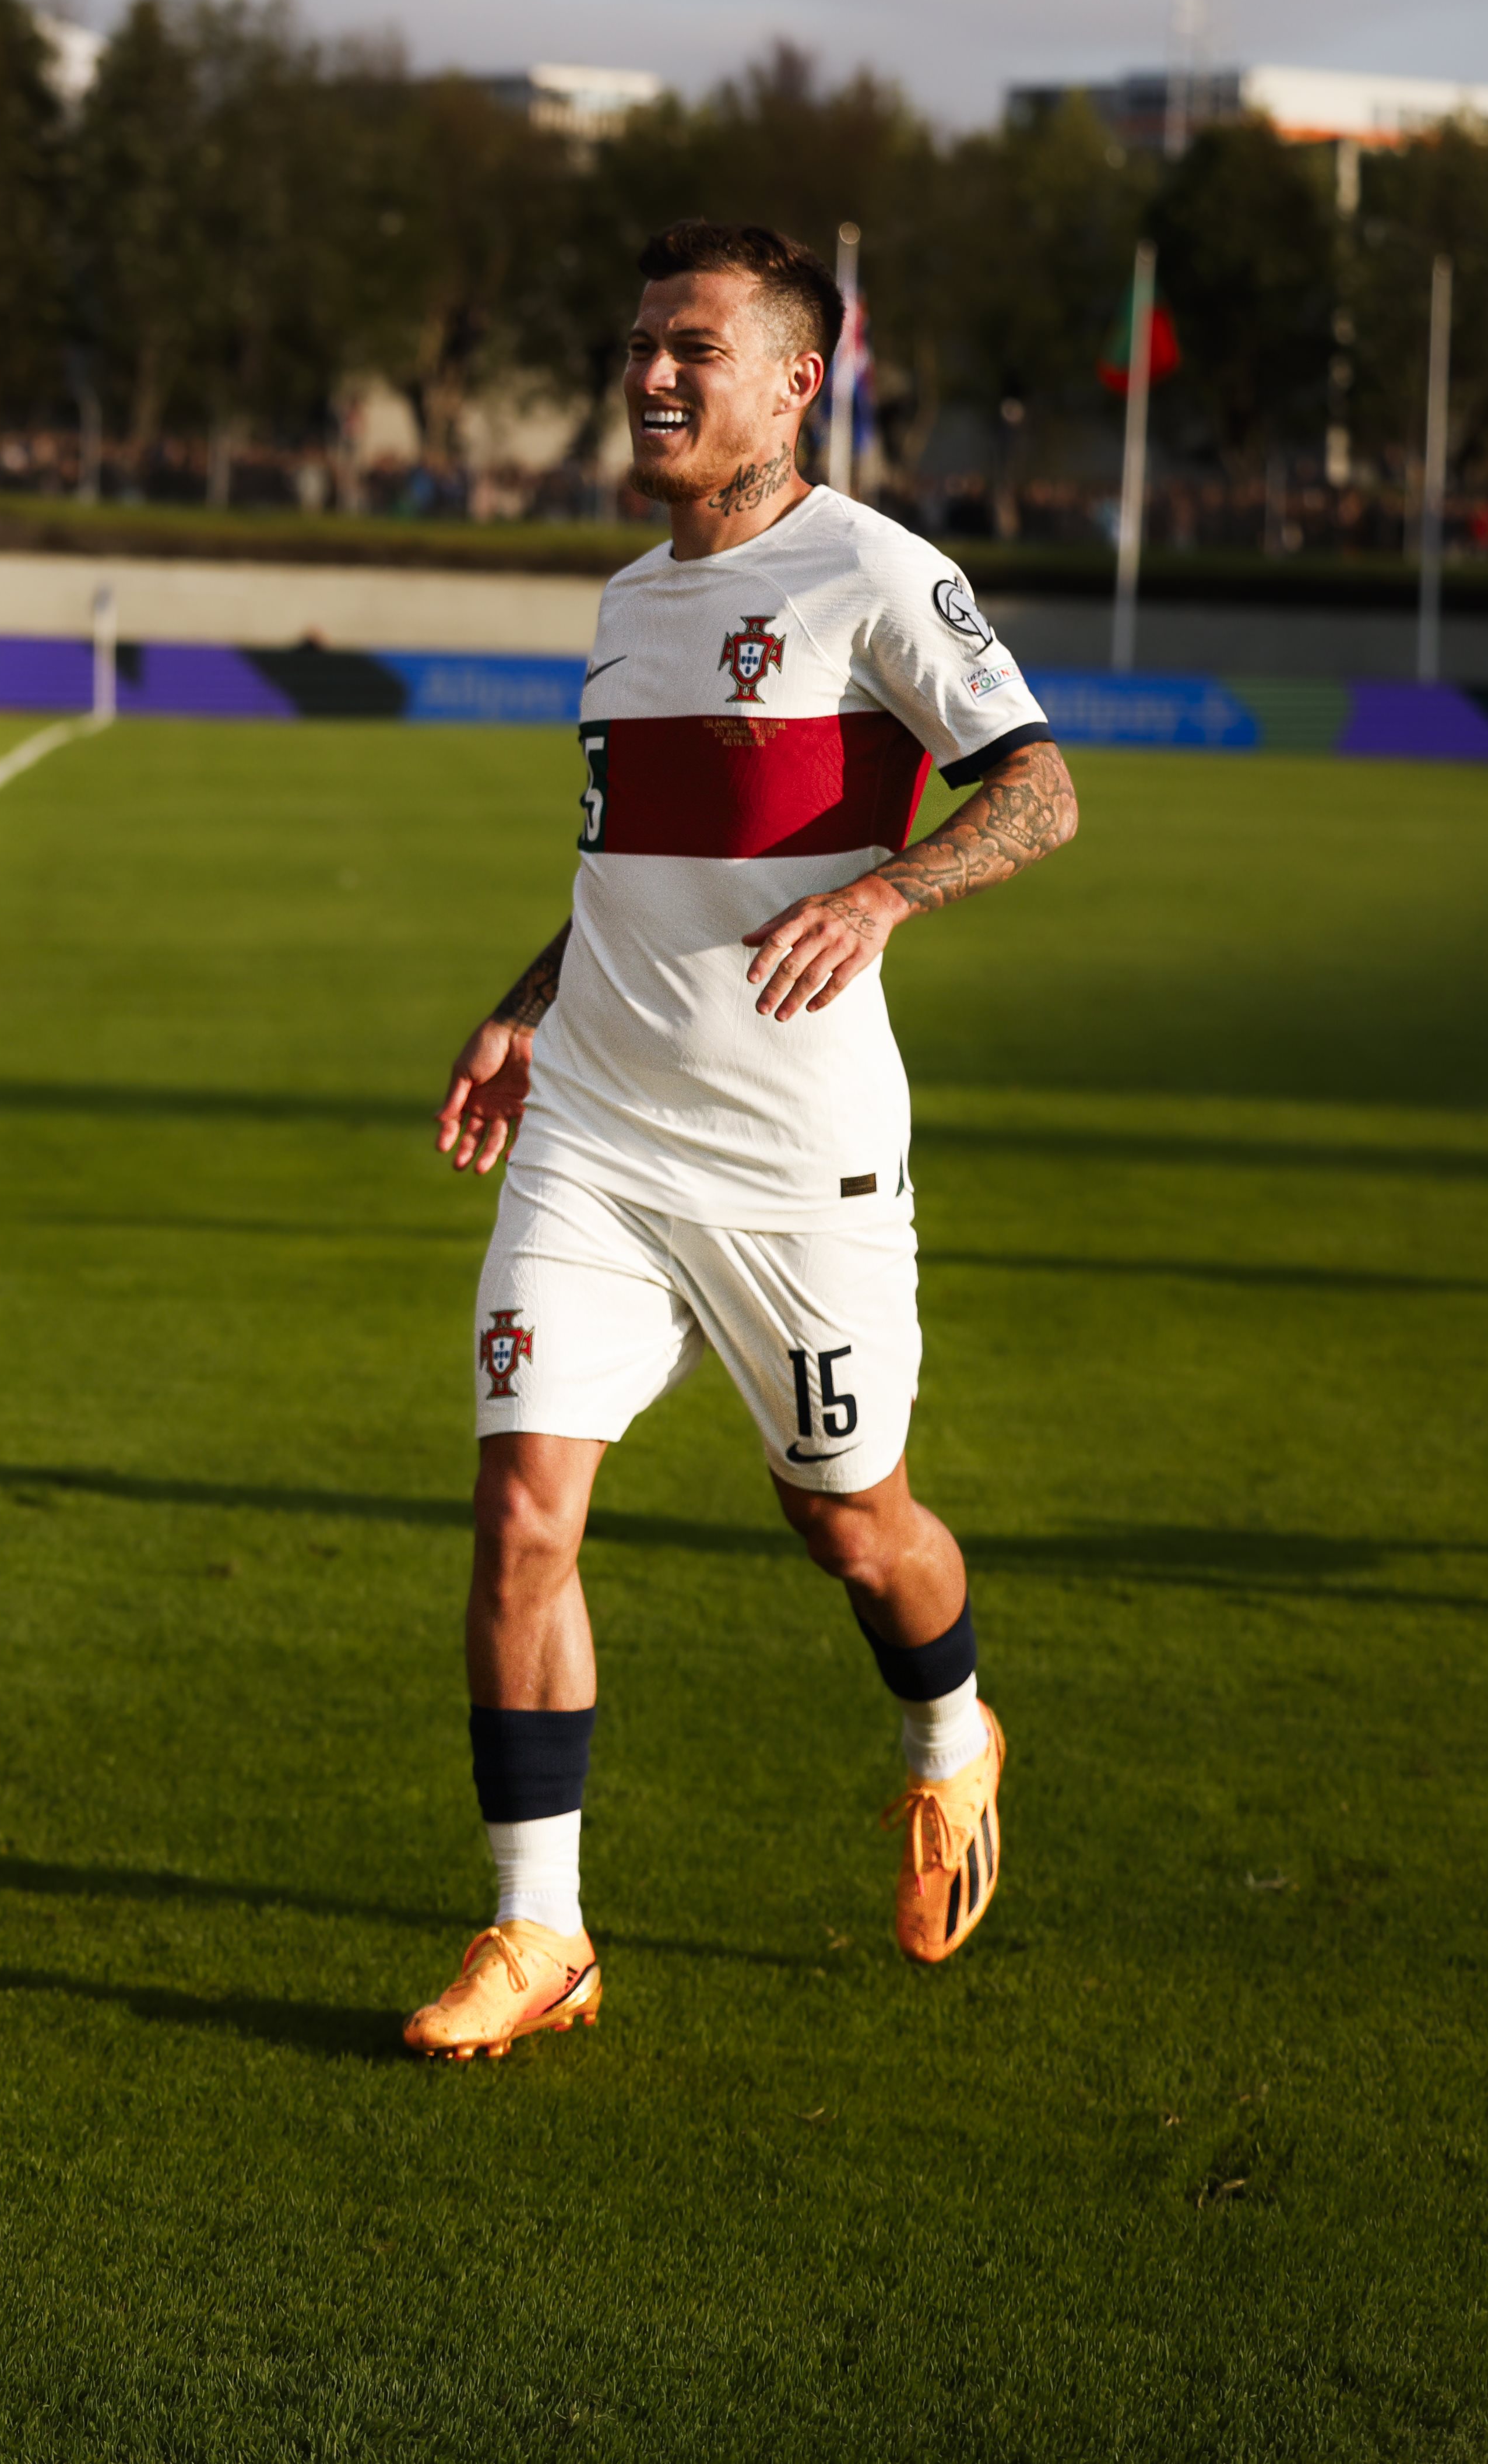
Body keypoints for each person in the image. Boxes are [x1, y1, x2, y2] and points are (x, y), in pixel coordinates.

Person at [409, 219, 1079, 2062]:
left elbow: (1038, 785)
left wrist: (886, 895)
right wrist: (526, 1003)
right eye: (639, 342)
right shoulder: (630, 598)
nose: (650, 376)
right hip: (599, 1134)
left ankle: (951, 1730)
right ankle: (537, 1926)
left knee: (849, 1520)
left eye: (693, 348)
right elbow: (630, 866)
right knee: (522, 1508)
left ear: (798, 380)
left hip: (797, 1161)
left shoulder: (875, 571)